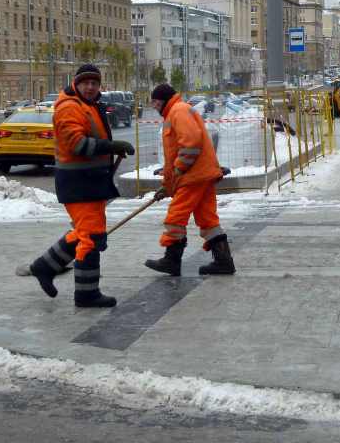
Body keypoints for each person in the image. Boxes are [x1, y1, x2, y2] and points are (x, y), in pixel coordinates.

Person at [26, 64, 135, 308]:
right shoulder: (69, 108)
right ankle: (86, 294)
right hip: (78, 184)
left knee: (87, 233)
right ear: (76, 83)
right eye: (85, 83)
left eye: (94, 83)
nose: (90, 87)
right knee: (91, 238)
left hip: (91, 181)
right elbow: (77, 144)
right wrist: (111, 146)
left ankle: (44, 266)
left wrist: (110, 149)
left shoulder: (89, 106)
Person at [144, 83, 234, 276]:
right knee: (207, 219)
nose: (154, 107)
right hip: (202, 175)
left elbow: (191, 143)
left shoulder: (178, 111)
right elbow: (178, 153)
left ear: (163, 100)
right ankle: (224, 261)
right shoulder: (177, 111)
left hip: (193, 176)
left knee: (176, 216)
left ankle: (172, 260)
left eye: (155, 102)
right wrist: (166, 186)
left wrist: (179, 170)